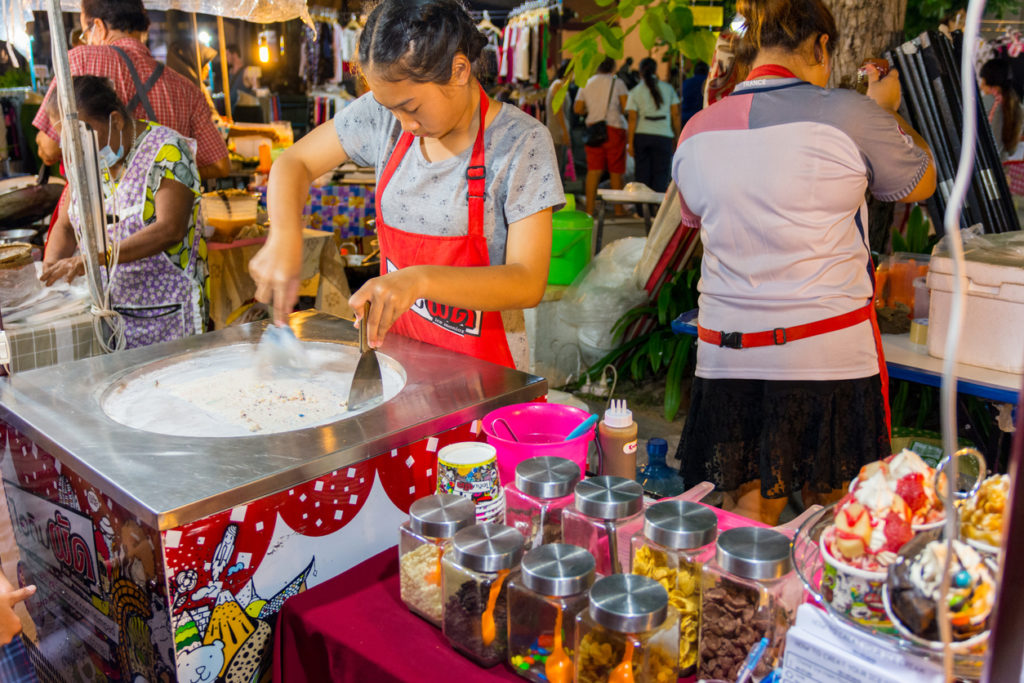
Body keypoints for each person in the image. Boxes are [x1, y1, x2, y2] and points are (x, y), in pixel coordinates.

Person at [672, 0, 936, 524]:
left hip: (727, 353)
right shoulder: (849, 113)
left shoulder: (696, 131)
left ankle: (745, 599)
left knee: (746, 509)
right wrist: (883, 108)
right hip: (826, 353)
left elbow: (696, 218)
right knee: (834, 507)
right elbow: (920, 180)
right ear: (820, 46)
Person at [249, 0, 563, 371]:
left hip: (486, 375)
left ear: (459, 70)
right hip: (398, 360)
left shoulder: (521, 142)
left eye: (411, 108)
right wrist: (284, 235)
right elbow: (294, 162)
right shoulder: (386, 118)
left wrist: (418, 280)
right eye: (390, 107)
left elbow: (527, 282)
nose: (403, 123)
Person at [41, 76, 207, 350]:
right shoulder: (84, 161)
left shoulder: (168, 151)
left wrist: (93, 260)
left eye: (85, 135)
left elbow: (170, 229)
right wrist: (53, 267)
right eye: (70, 141)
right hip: (110, 320)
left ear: (116, 120)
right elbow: (66, 225)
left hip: (168, 318)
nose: (78, 149)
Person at [33, 0, 228, 179]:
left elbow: (49, 148)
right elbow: (220, 165)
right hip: (174, 213)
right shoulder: (188, 89)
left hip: (108, 213)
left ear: (99, 27)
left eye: (85, 34)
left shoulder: (80, 59)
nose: (87, 41)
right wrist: (162, 179)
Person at [574, 58, 628, 215]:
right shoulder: (617, 83)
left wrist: (590, 111)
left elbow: (577, 108)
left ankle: (590, 209)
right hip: (614, 128)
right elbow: (625, 107)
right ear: (613, 67)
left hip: (593, 130)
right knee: (615, 171)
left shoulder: (587, 83)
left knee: (594, 170)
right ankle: (618, 209)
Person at [626, 57, 681, 193]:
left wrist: (630, 143)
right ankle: (657, 209)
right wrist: (678, 136)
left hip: (642, 135)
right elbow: (675, 115)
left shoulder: (635, 91)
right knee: (661, 174)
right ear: (656, 70)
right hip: (663, 136)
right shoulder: (668, 89)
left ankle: (642, 210)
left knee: (642, 175)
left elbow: (632, 119)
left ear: (640, 72)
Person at [545, 59, 571, 181]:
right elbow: (558, 110)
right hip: (557, 132)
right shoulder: (558, 85)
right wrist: (565, 132)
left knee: (559, 165)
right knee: (557, 167)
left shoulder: (561, 85)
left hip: (558, 130)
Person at [681, 61, 708, 127]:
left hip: (686, 117)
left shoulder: (686, 82)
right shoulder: (709, 83)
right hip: (703, 118)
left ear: (694, 71)